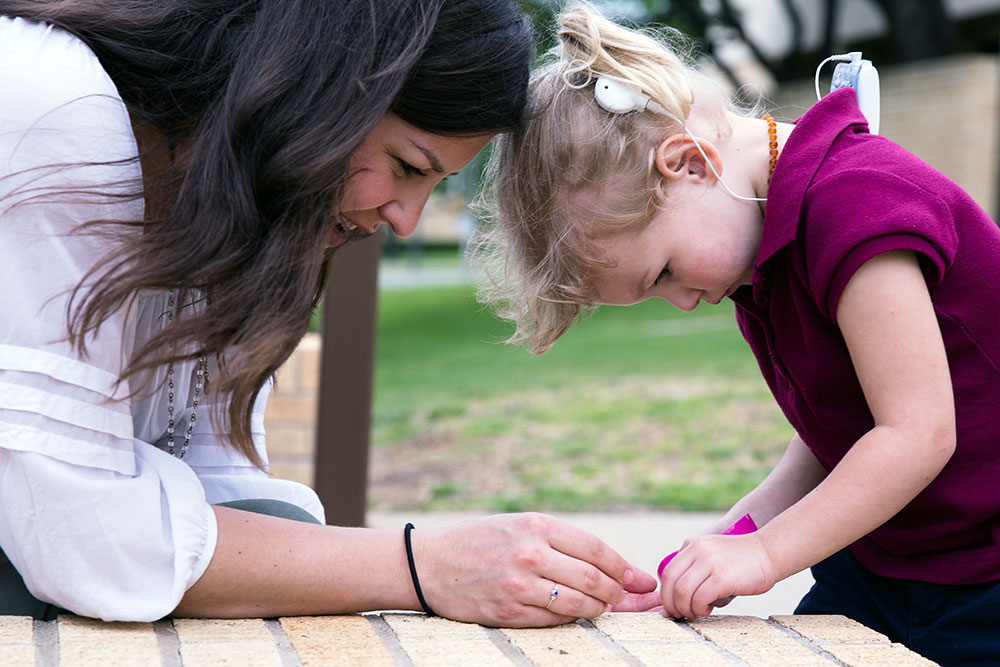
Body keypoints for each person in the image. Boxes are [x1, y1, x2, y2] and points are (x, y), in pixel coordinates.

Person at [0, 0, 659, 625]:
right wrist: (423, 566)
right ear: (322, 90)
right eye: (407, 166)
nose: (406, 219)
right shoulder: (57, 108)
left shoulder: (221, 194)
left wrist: (463, 566)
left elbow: (217, 487)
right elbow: (84, 539)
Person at [474, 2, 1000, 662]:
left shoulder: (855, 202)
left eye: (663, 272)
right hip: (888, 563)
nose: (682, 303)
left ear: (690, 164)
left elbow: (916, 433)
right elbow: (838, 432)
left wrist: (766, 553)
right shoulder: (758, 256)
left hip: (986, 574)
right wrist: (729, 538)